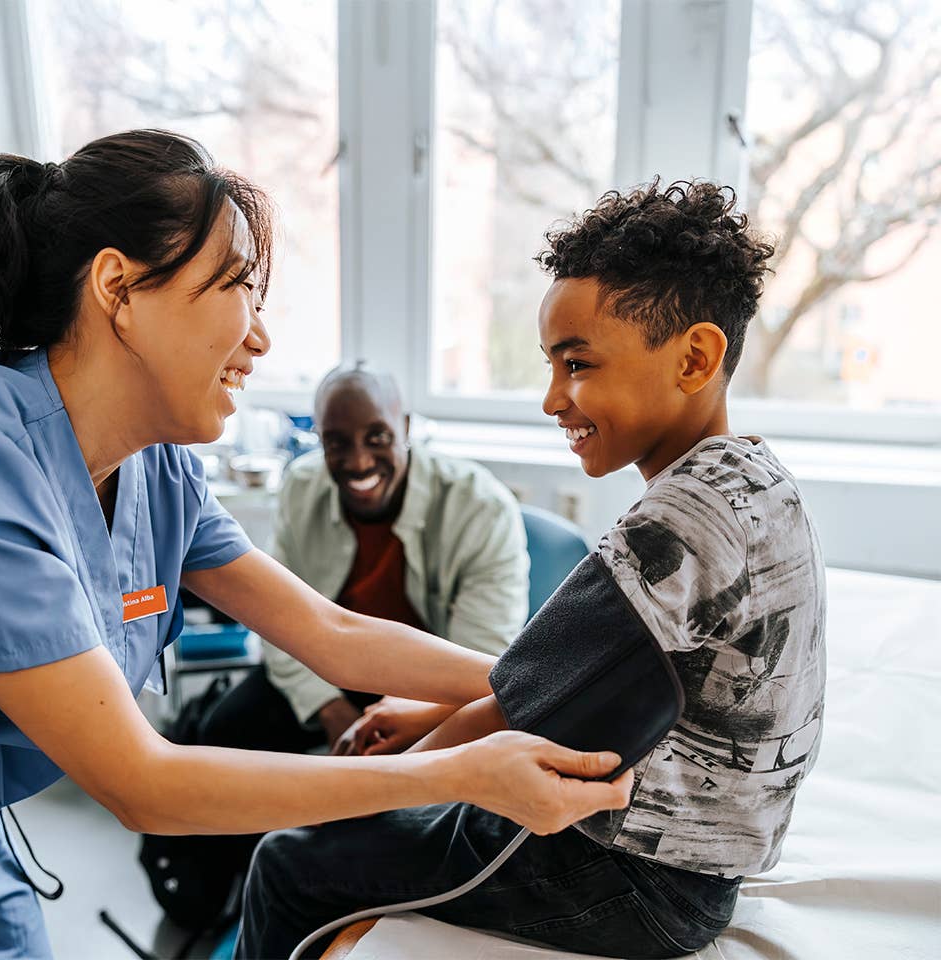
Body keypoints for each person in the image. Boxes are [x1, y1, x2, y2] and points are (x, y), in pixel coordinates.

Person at [0, 130, 632, 960]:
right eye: (235, 287)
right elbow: (142, 783)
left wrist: (541, 688)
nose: (258, 337)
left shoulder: (153, 468)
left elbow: (329, 633)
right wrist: (457, 772)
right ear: (119, 289)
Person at [238, 180, 827, 960]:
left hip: (633, 878)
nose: (553, 399)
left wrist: (365, 800)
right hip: (705, 865)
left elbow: (518, 714)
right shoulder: (754, 480)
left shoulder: (676, 523)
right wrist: (422, 717)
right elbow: (568, 675)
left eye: (577, 363)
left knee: (287, 861)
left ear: (695, 358)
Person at [199, 363, 529, 755]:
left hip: (434, 687)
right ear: (318, 439)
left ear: (404, 428)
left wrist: (412, 719)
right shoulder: (302, 487)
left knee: (395, 793)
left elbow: (482, 659)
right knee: (220, 736)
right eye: (337, 443)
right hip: (330, 674)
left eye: (377, 437)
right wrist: (328, 707)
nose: (358, 462)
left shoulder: (481, 508)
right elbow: (278, 627)